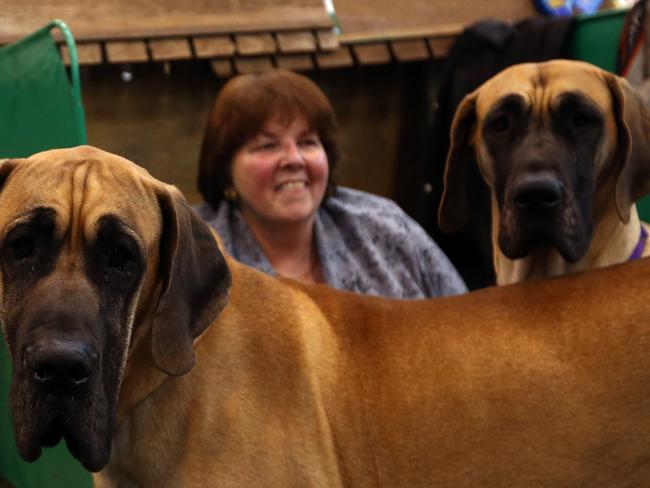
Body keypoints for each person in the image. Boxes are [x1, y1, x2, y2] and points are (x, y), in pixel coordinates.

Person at [195, 69, 467, 299]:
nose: (294, 159)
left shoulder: (386, 226)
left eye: (307, 142)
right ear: (225, 170)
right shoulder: (195, 255)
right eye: (267, 145)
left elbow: (464, 325)